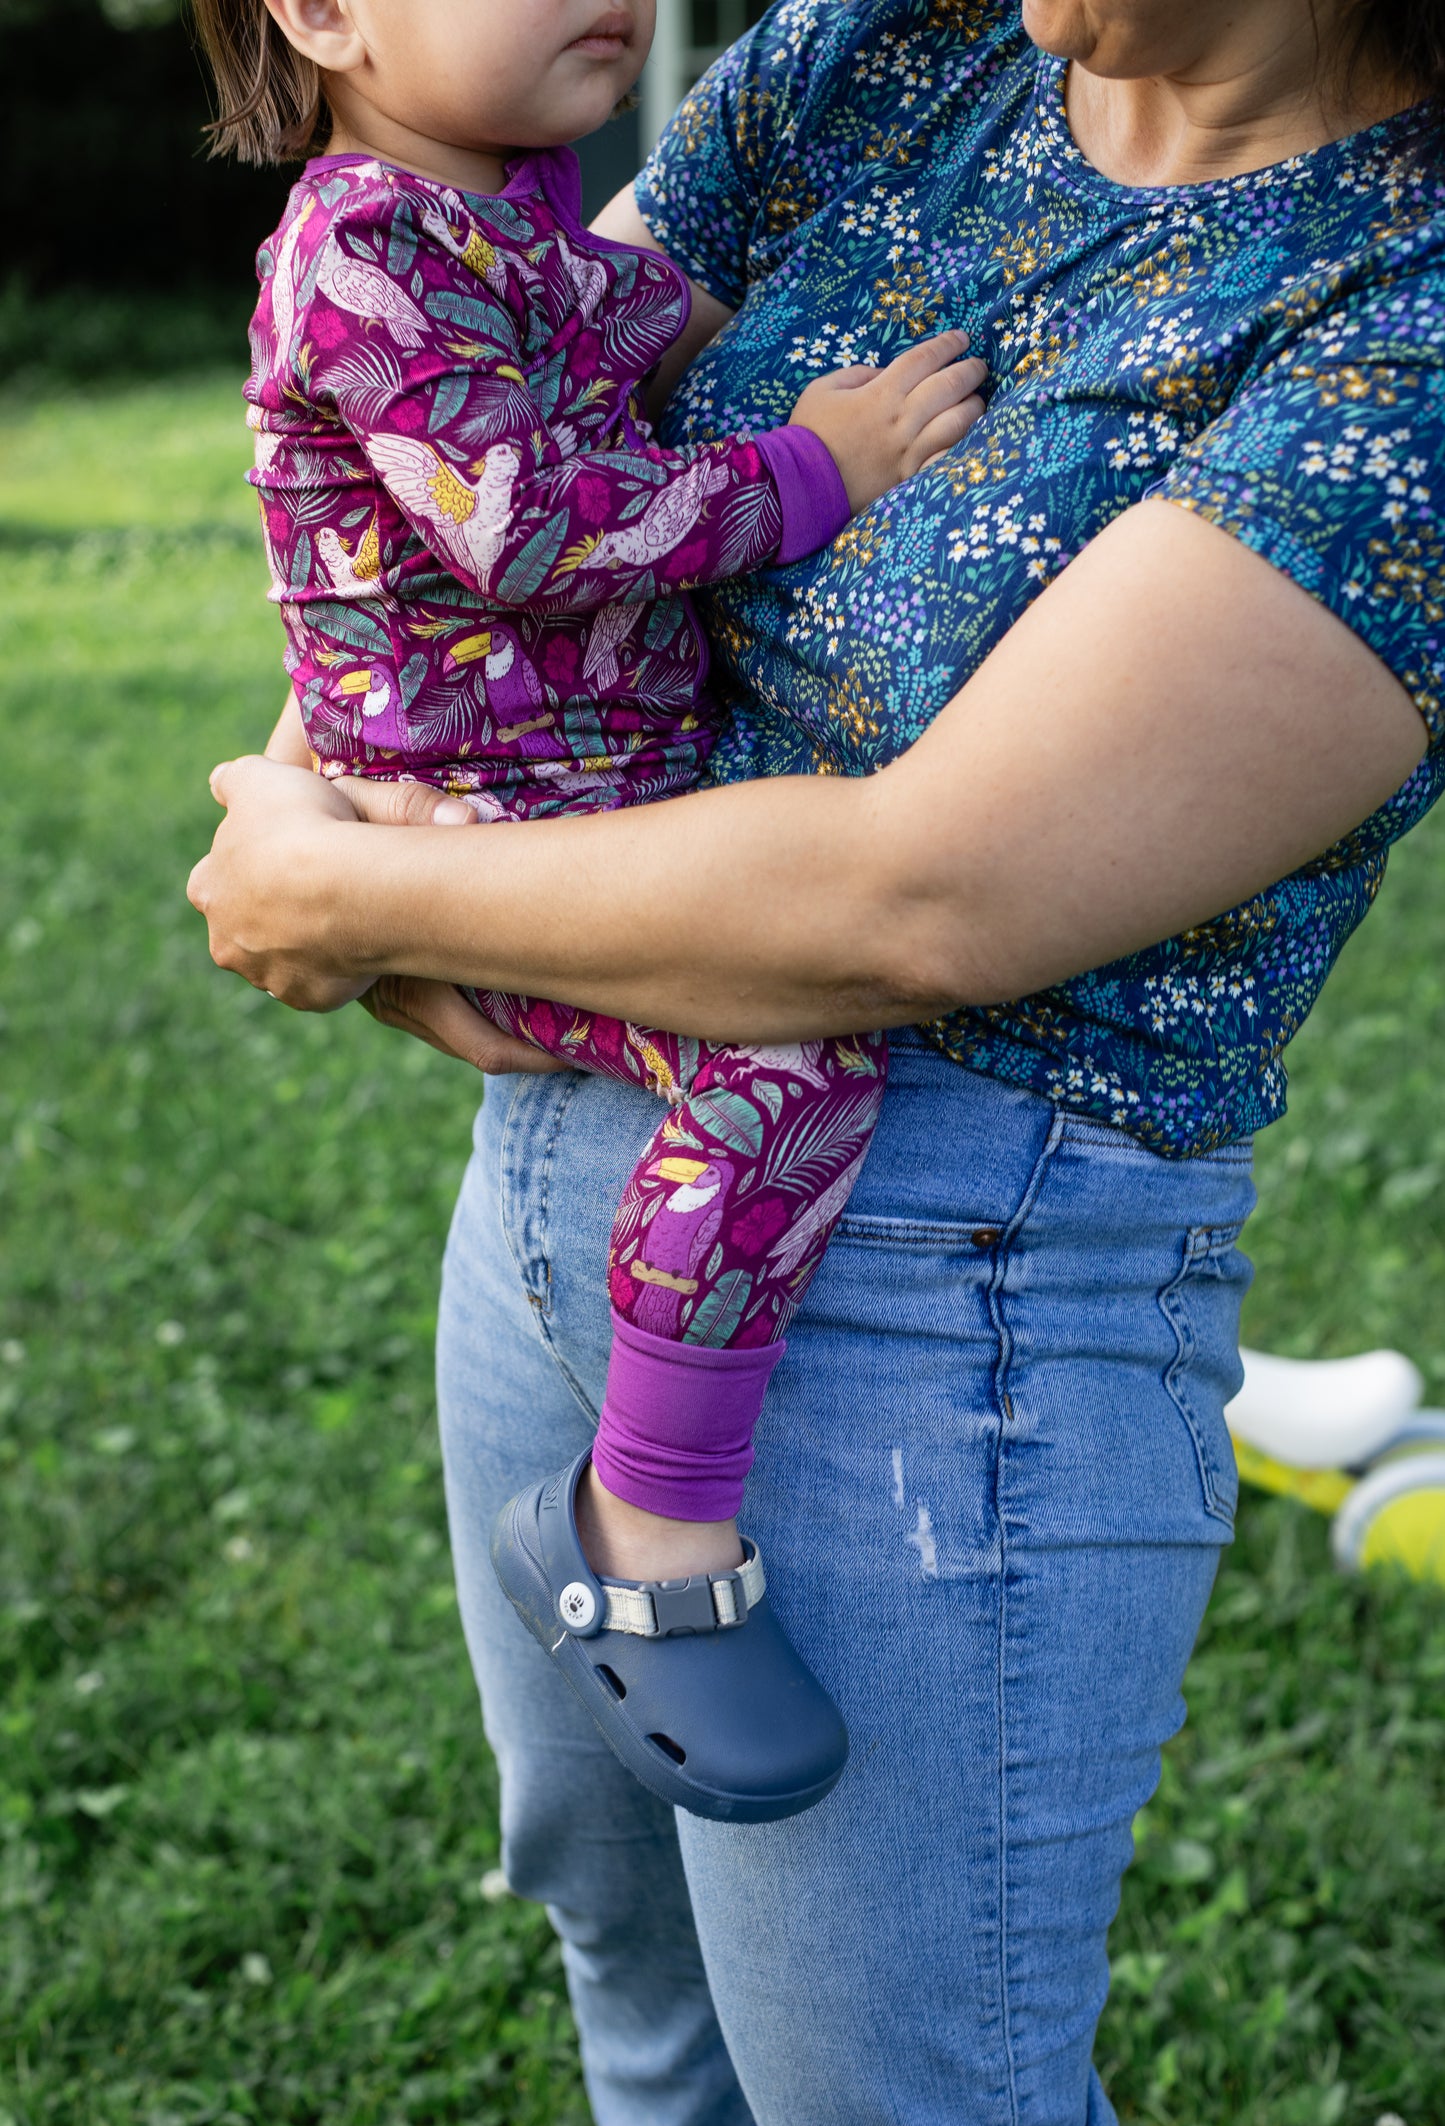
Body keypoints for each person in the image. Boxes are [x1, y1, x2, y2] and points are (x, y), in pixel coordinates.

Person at [188, 0, 1445, 2126]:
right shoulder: (890, 55)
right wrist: (335, 814)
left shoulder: (1397, 316)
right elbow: (470, 452)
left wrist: (374, 901)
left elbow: (909, 902)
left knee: (905, 2124)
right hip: (566, 1182)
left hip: (935, 1287)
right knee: (651, 2017)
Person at [190, 0, 987, 1820]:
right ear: (325, 17)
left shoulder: (520, 210)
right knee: (788, 1065)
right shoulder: (361, 245)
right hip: (483, 826)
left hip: (578, 802)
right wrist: (817, 468)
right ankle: (654, 1516)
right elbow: (525, 528)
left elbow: (634, 314)